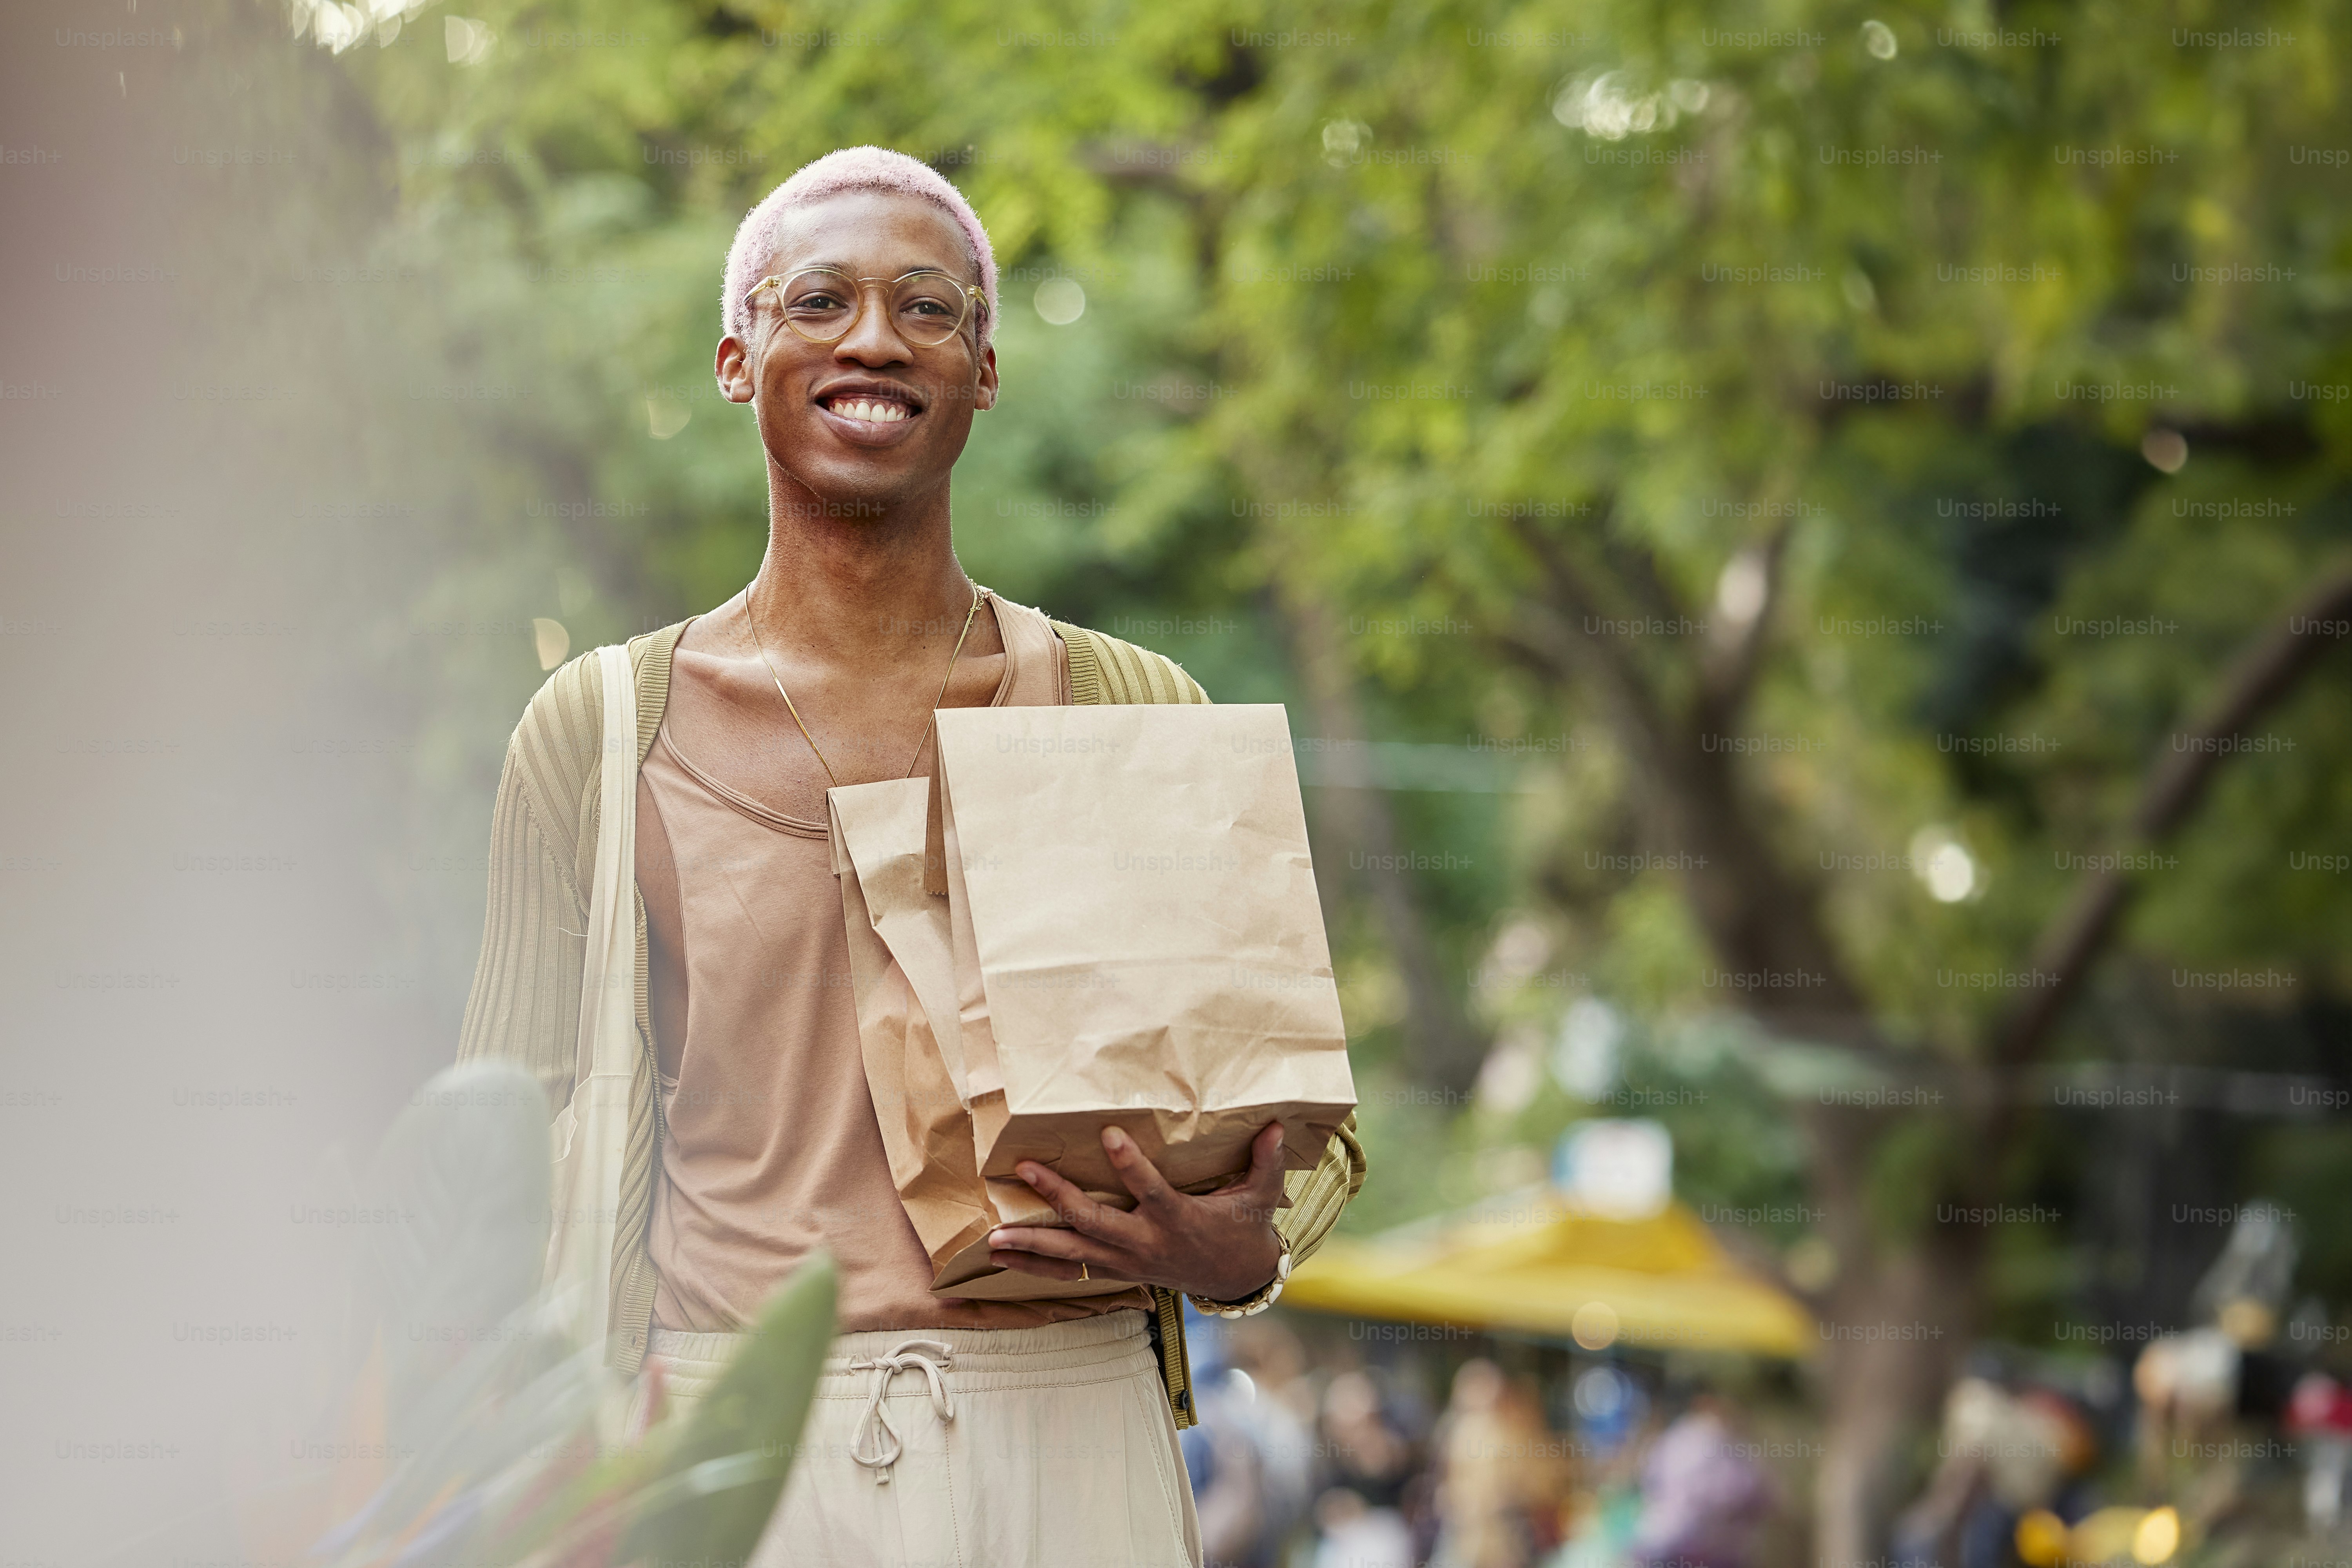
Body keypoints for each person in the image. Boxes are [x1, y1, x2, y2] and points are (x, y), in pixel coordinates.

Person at [456, 146, 1367, 1566]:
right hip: (719, 1437)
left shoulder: (1134, 709)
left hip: (1071, 1427)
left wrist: (1237, 1258)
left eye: (928, 307)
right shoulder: (597, 732)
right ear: (735, 354)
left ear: (985, 372)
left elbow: (1289, 1139)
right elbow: (502, 1146)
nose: (873, 338)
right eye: (816, 300)